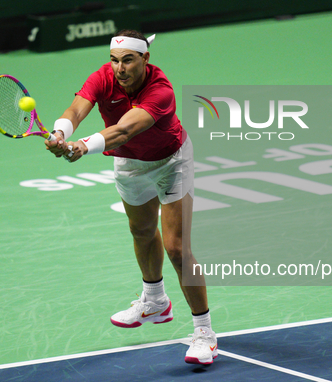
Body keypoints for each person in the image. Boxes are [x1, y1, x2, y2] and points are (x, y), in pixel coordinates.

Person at [45, 30, 217, 365]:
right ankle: (154, 300)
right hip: (129, 164)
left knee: (177, 247)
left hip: (171, 162)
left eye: (127, 60)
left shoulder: (160, 91)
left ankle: (205, 334)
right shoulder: (103, 77)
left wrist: (84, 145)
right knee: (140, 230)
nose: (119, 68)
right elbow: (77, 108)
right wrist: (61, 133)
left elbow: (124, 129)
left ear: (144, 59)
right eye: (114, 60)